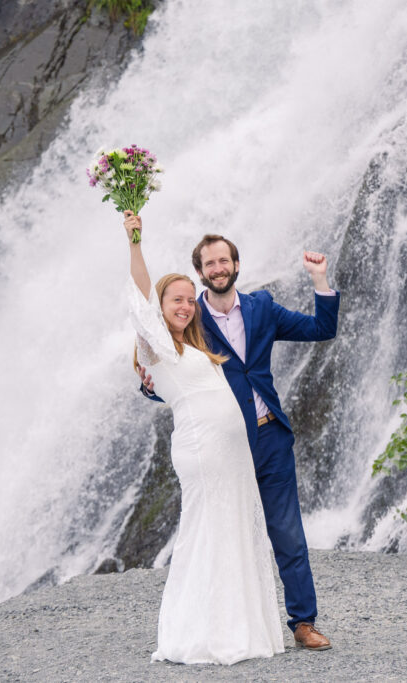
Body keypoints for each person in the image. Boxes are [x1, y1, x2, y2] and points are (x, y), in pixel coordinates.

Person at [140, 229, 340, 651]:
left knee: (287, 531)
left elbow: (322, 329)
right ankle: (225, 623)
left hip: (269, 438)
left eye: (223, 261)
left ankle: (303, 622)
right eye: (209, 264)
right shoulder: (189, 316)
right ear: (199, 272)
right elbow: (172, 370)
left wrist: (319, 279)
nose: (217, 268)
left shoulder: (261, 307)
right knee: (226, 533)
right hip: (221, 446)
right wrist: (148, 385)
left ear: (235, 265)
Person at [123, 210, 284, 665]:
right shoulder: (157, 346)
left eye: (187, 300)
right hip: (204, 453)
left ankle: (239, 627)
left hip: (231, 455)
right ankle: (203, 633)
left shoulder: (191, 346)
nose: (184, 305)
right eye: (174, 300)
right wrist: (135, 243)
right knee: (209, 535)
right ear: (160, 308)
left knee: (232, 533)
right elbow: (139, 297)